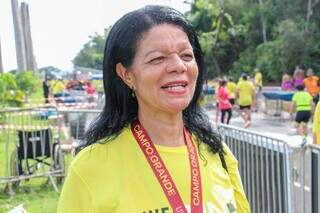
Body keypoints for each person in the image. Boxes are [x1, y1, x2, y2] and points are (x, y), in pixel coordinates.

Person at [58, 5, 249, 213]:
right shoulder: (90, 167)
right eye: (158, 58)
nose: (179, 66)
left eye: (186, 55)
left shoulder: (217, 151)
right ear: (127, 75)